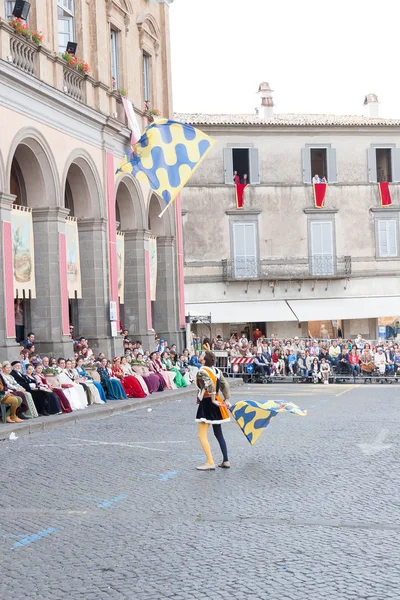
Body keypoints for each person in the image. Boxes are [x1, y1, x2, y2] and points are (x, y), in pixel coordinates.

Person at [196, 351, 231, 471]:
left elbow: (208, 384)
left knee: (201, 435)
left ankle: (210, 462)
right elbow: (225, 385)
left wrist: (211, 398)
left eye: (201, 356)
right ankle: (226, 460)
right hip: (217, 400)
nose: (200, 357)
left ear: (204, 360)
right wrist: (226, 399)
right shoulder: (216, 371)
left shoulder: (202, 371)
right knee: (218, 433)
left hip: (207, 403)